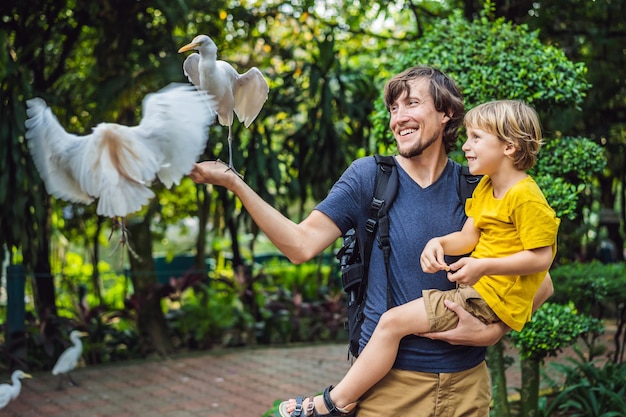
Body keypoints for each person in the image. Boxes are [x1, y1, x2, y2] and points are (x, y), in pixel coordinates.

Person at [189, 66, 554, 417]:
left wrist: (493, 330)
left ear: (446, 113)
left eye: (412, 103)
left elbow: (542, 281)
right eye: (393, 108)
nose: (398, 117)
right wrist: (235, 184)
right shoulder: (369, 177)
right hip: (389, 388)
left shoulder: (478, 185)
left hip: (468, 387)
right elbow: (300, 245)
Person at [276, 99, 560, 417]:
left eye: (476, 138)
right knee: (392, 324)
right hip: (405, 378)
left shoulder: (525, 196)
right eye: (393, 108)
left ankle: (332, 403)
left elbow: (542, 263)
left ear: (508, 146)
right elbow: (469, 236)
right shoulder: (484, 188)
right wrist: (438, 242)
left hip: (480, 314)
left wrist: (487, 288)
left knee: (393, 322)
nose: (467, 146)